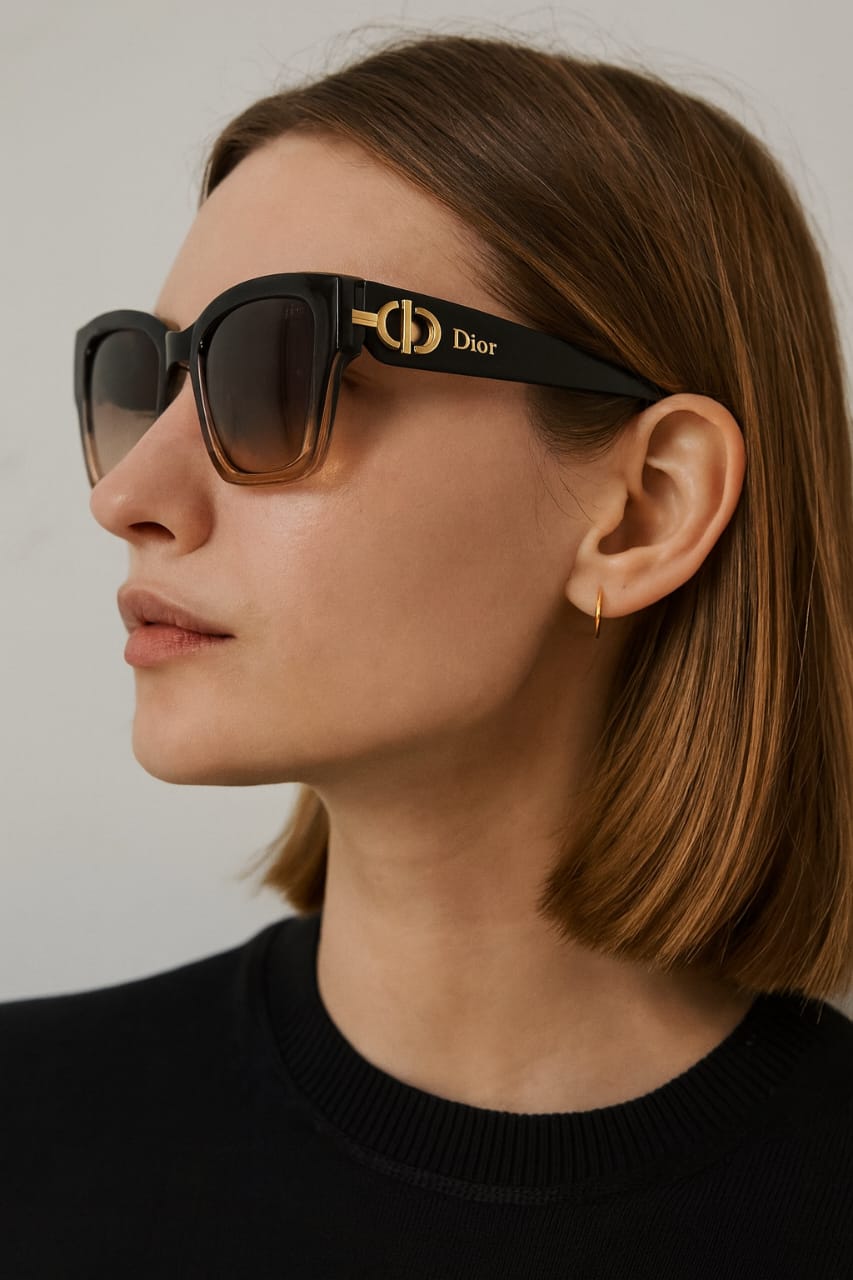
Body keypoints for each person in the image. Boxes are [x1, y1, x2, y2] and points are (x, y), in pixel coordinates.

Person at [3, 30, 853, 1278]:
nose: (127, 494)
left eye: (276, 370)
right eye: (151, 375)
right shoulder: (24, 1133)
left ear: (645, 510)